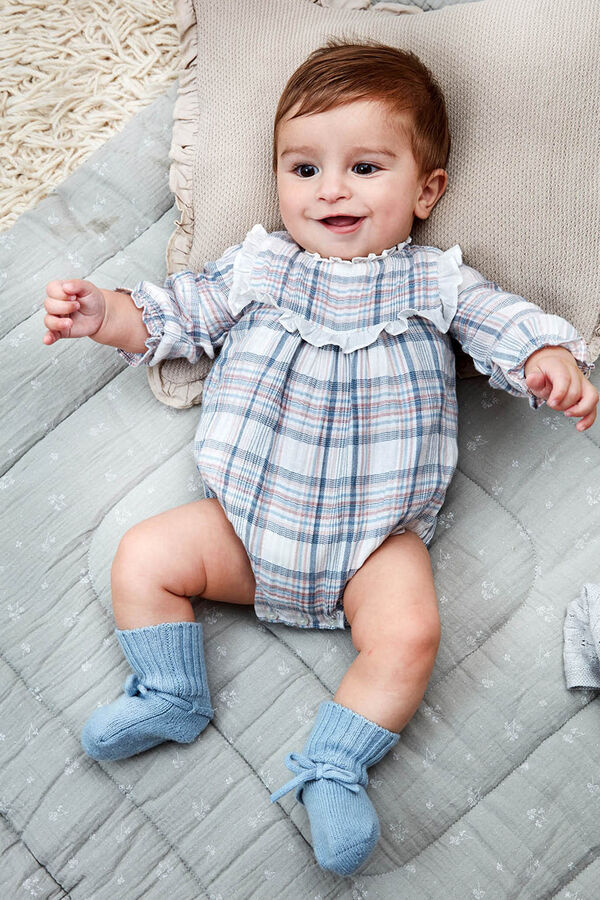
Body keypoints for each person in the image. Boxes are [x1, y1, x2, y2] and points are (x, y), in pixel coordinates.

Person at [42, 40, 598, 877]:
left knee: (409, 633)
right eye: (303, 169)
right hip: (241, 523)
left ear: (426, 191)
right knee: (144, 554)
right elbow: (176, 315)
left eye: (365, 166)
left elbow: (504, 328)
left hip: (375, 545)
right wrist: (105, 312)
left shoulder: (438, 283)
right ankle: (171, 692)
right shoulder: (261, 266)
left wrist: (546, 363)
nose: (330, 188)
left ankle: (333, 766)